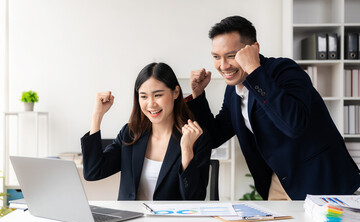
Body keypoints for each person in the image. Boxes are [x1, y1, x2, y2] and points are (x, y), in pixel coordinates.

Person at [187, 16, 360, 200]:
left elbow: (294, 124)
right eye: (216, 57)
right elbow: (214, 137)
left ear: (254, 49)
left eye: (231, 56)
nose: (223, 66)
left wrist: (254, 69)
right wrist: (198, 95)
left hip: (320, 181)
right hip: (279, 183)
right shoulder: (232, 91)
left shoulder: (285, 71)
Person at [81, 62, 211, 200]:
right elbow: (93, 172)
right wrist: (97, 116)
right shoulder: (130, 133)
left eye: (158, 95)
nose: (151, 104)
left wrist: (186, 151)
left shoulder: (196, 138)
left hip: (171, 221)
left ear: (176, 92)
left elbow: (195, 199)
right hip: (132, 220)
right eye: (143, 96)